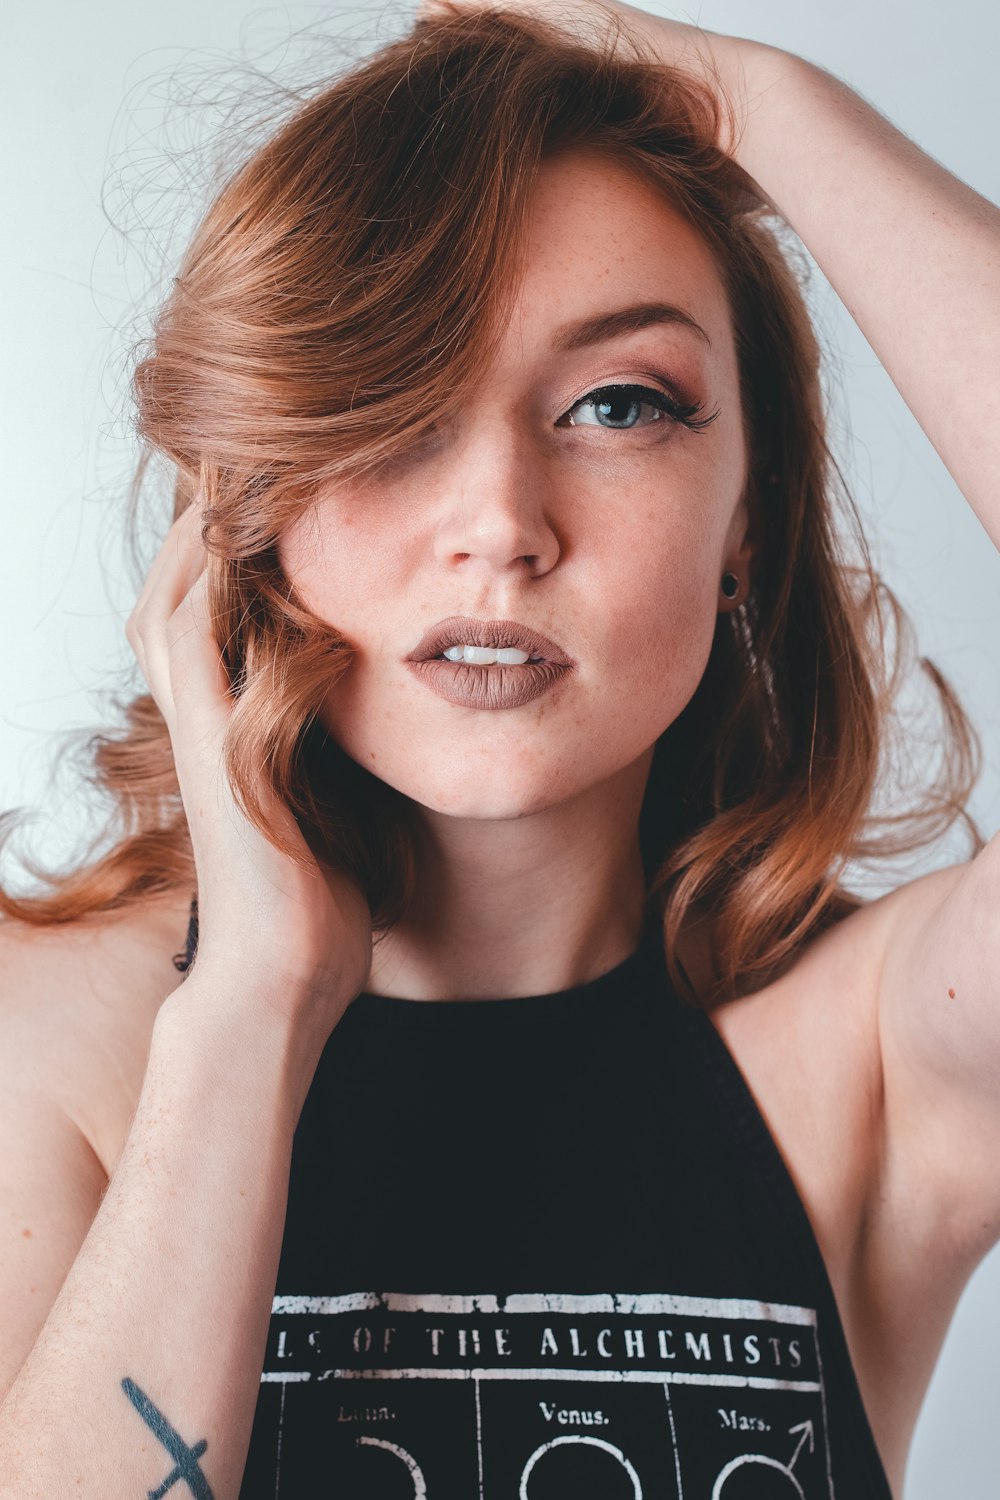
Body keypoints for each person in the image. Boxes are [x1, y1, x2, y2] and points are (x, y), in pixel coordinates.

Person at [0, 0, 996, 1494]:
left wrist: (766, 108)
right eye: (390, 403)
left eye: (618, 404)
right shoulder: (52, 1045)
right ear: (246, 503)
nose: (500, 529)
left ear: (750, 523)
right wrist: (253, 1005)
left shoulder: (874, 1062)